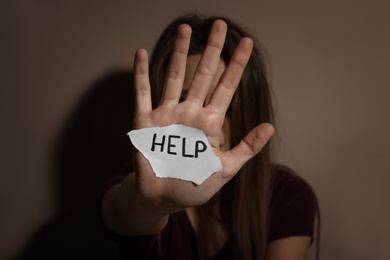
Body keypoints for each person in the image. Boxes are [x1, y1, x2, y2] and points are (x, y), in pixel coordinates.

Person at [101, 14, 319, 260]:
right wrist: (152, 205)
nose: (205, 126)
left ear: (250, 108)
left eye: (225, 102)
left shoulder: (286, 197)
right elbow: (126, 209)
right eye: (186, 100)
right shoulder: (137, 184)